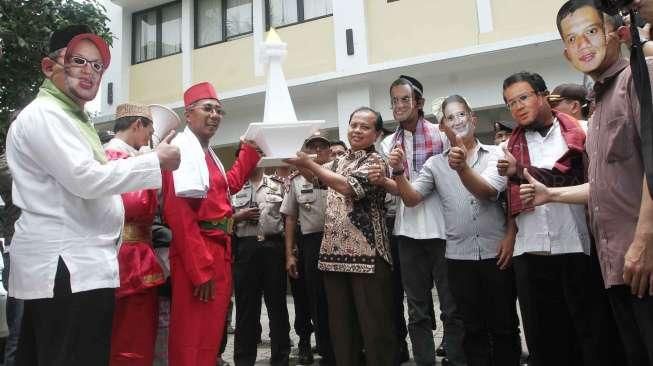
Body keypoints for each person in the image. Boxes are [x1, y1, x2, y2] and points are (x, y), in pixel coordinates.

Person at [5, 24, 180, 365]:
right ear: (49, 67)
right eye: (77, 61)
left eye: (97, 65)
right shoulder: (45, 116)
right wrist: (154, 161)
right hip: (65, 266)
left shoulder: (72, 118)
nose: (89, 71)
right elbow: (85, 179)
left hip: (80, 266)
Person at [517, 2, 653, 364]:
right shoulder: (597, 100)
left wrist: (643, 241)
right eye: (572, 38)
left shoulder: (642, 76)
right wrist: (552, 194)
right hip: (617, 266)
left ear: (618, 33)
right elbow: (607, 184)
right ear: (565, 52)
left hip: (644, 261)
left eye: (591, 31)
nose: (583, 44)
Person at [372, 94, 520, 365]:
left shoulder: (497, 154)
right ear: (442, 128)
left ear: (473, 119)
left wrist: (462, 167)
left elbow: (488, 192)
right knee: (471, 328)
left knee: (504, 325)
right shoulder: (435, 164)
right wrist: (397, 172)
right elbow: (412, 198)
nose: (457, 121)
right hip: (458, 257)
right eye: (449, 118)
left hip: (496, 252)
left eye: (461, 115)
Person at [497, 70, 623, 366]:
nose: (518, 107)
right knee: (544, 340)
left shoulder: (582, 131)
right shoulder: (507, 147)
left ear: (543, 96)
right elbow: (509, 200)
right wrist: (510, 233)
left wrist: (523, 174)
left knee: (591, 336)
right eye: (511, 102)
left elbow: (596, 182)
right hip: (531, 250)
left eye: (524, 97)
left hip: (577, 245)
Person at [285, 107, 396, 366]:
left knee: (374, 327)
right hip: (333, 255)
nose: (357, 130)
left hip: (368, 256)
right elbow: (317, 177)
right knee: (341, 328)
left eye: (364, 127)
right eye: (353, 124)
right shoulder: (339, 161)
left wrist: (308, 162)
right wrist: (297, 158)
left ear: (377, 134)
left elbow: (346, 187)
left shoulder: (376, 162)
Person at [162, 81, 260, 366]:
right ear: (188, 114)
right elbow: (179, 215)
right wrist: (200, 270)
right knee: (191, 336)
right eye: (208, 108)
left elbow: (225, 187)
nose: (215, 115)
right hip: (199, 254)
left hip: (220, 251)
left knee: (210, 336)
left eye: (219, 110)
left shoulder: (208, 154)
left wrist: (249, 152)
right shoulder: (182, 152)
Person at [379, 75, 464, 366]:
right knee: (416, 308)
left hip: (444, 230)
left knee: (451, 306)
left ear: (419, 102)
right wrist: (394, 176)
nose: (399, 105)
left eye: (405, 99)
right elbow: (396, 186)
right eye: (394, 101)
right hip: (407, 232)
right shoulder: (389, 142)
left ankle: (455, 358)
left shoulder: (440, 134)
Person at [105, 103, 167, 366]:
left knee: (139, 333)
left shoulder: (128, 156)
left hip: (137, 251)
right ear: (137, 125)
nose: (149, 139)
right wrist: (152, 162)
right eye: (149, 132)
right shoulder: (114, 156)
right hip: (127, 256)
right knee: (130, 336)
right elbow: (135, 205)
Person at [281, 133, 336, 366]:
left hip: (338, 240)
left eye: (321, 146)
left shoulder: (338, 172)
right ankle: (316, 346)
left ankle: (341, 346)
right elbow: (291, 219)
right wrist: (289, 254)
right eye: (311, 146)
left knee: (337, 298)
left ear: (328, 151)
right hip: (311, 243)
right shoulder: (295, 181)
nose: (316, 149)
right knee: (314, 298)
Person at [231, 165, 291, 366]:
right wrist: (239, 216)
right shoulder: (232, 187)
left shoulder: (278, 185)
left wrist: (290, 250)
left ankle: (281, 358)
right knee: (246, 307)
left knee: (277, 306)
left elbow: (289, 217)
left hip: (273, 246)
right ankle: (244, 360)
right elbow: (221, 217)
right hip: (245, 249)